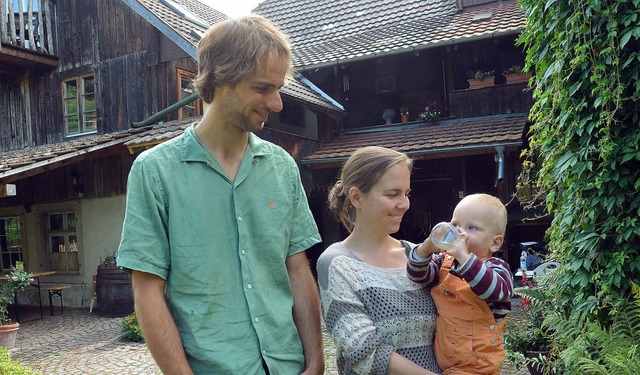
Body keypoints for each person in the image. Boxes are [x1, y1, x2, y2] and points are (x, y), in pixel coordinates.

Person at [117, 15, 324, 375]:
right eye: (263, 88)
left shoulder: (282, 167)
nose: (276, 104)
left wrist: (316, 362)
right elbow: (147, 291)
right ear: (221, 80)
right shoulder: (155, 172)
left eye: (278, 88)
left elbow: (297, 270)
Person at [316, 146, 441, 375]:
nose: (404, 204)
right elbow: (363, 352)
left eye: (407, 193)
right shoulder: (338, 263)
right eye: (392, 194)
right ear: (356, 197)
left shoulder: (418, 256)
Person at [407, 193, 514, 374]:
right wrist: (426, 248)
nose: (459, 233)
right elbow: (417, 275)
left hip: (478, 366)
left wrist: (464, 257)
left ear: (495, 243)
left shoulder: (497, 268)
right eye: (455, 225)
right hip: (443, 362)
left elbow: (494, 291)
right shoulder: (445, 263)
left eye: (472, 228)